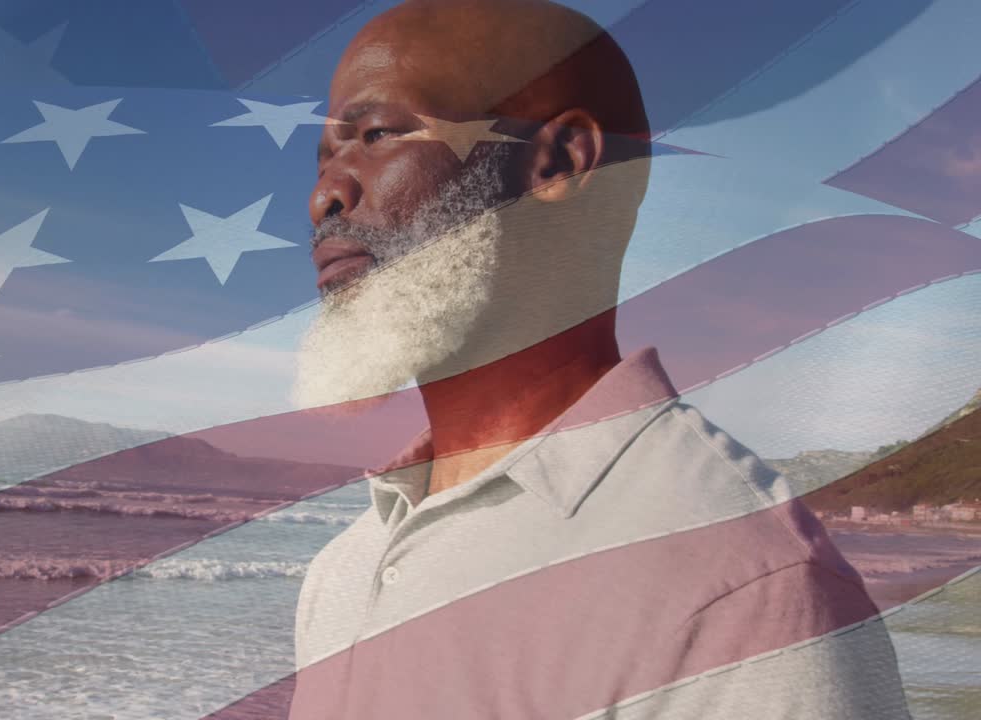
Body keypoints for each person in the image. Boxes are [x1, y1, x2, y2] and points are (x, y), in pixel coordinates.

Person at [288, 1, 910, 718]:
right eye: (325, 157)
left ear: (557, 162)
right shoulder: (343, 571)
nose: (323, 196)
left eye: (376, 135)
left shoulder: (742, 590)